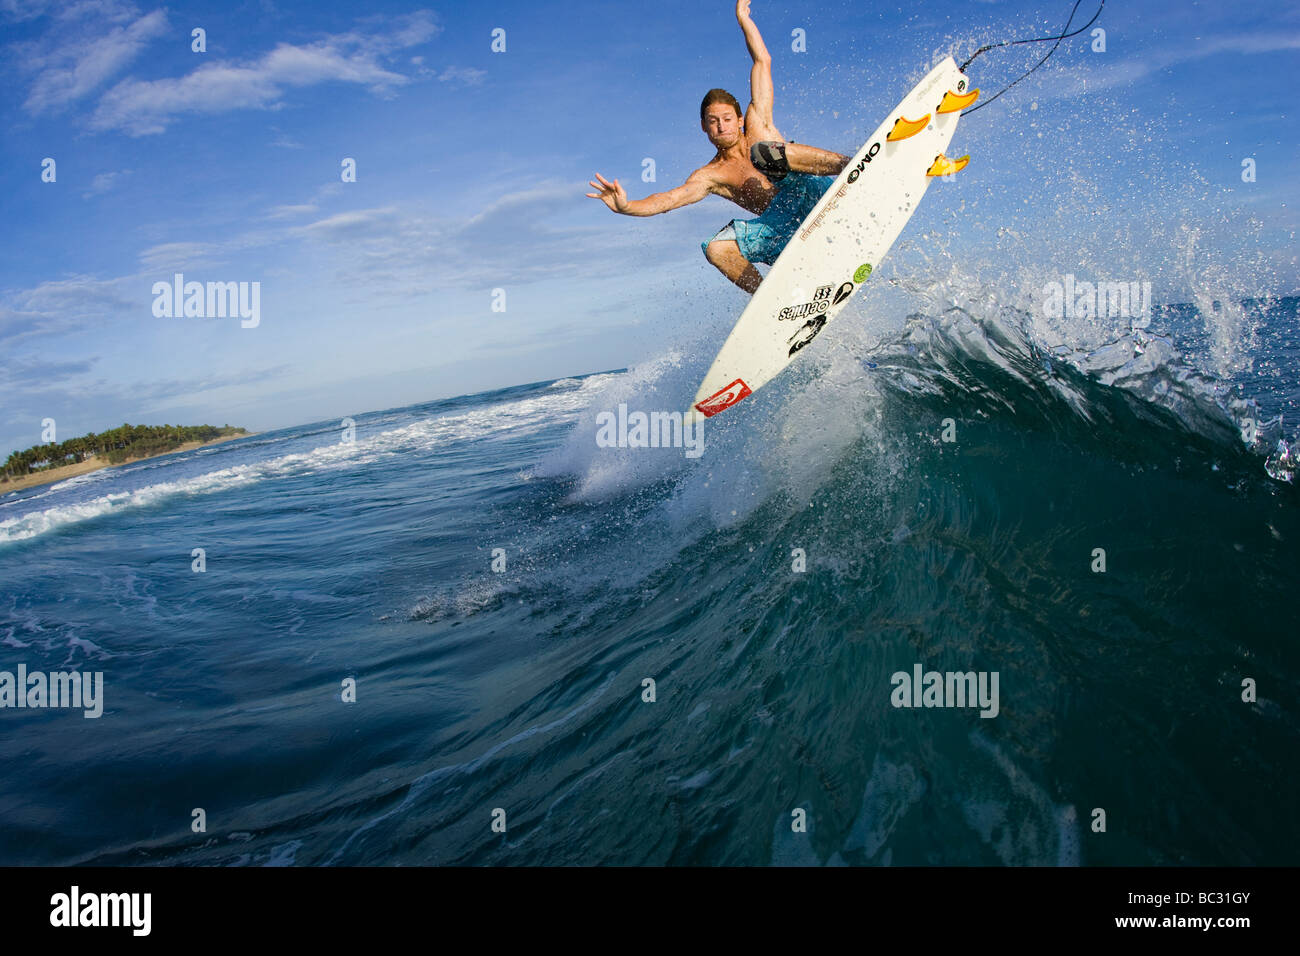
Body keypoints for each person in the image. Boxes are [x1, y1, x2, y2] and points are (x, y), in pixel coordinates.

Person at [586, 0, 851, 294]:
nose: (721, 126)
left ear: (739, 119)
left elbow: (762, 62)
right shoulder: (711, 175)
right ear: (704, 127)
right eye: (713, 121)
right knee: (716, 249)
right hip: (783, 230)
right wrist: (627, 207)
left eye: (726, 118)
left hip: (815, 197)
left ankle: (852, 167)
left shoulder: (758, 124)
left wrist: (744, 21)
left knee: (762, 152)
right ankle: (769, 301)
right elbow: (671, 199)